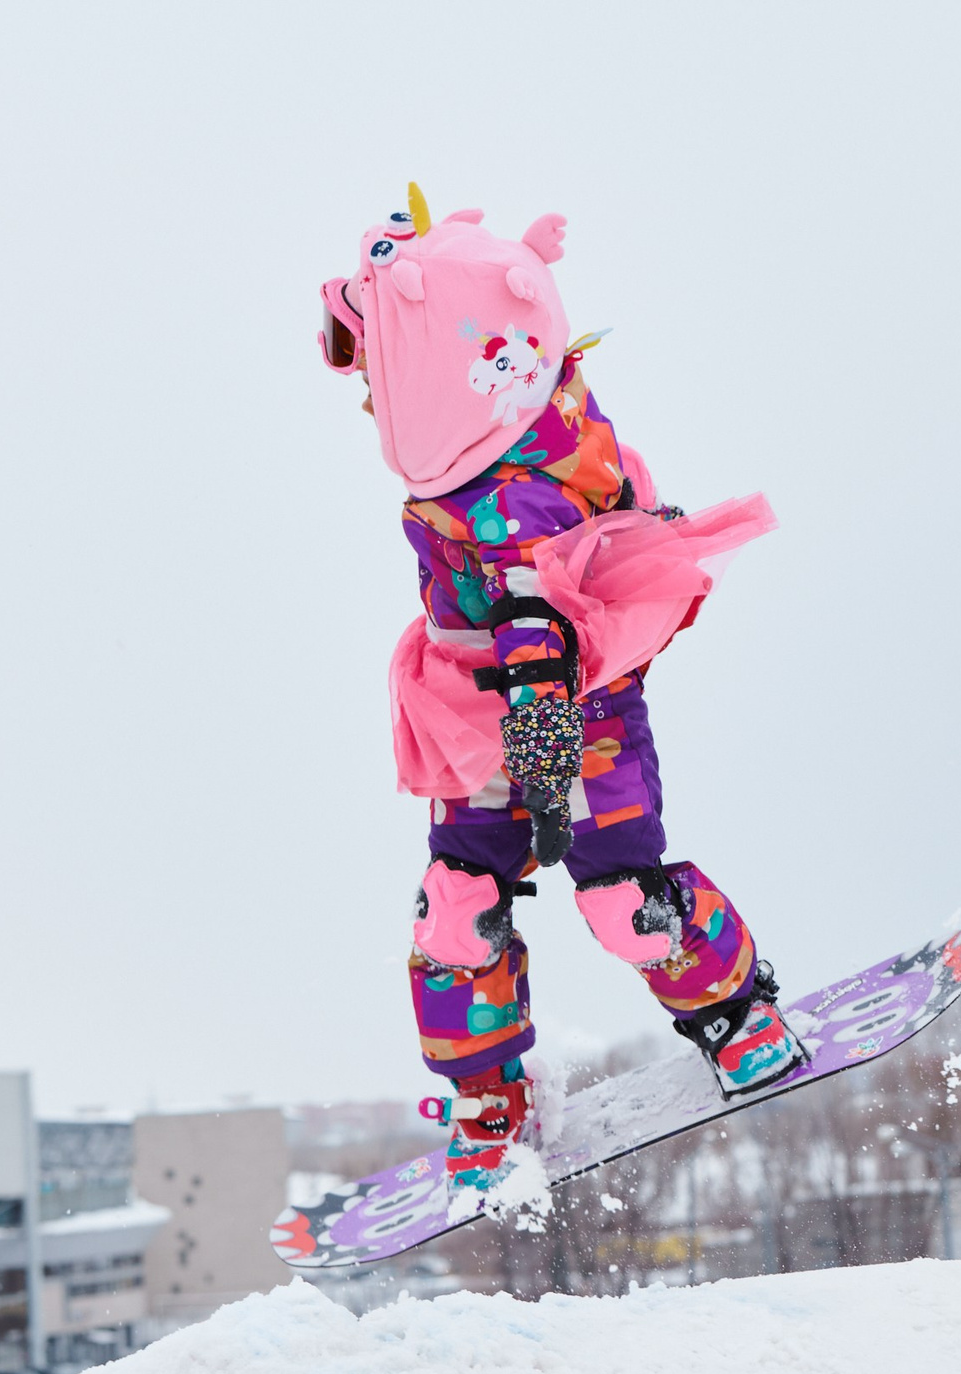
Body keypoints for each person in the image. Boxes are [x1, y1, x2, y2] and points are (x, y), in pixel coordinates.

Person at [319, 184, 803, 1198]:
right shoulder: (471, 460)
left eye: (382, 375)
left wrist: (544, 757)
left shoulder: (521, 485)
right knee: (456, 909)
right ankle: (488, 1095)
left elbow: (537, 625)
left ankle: (732, 1008)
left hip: (576, 715)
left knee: (624, 900)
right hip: (468, 713)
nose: (372, 398)